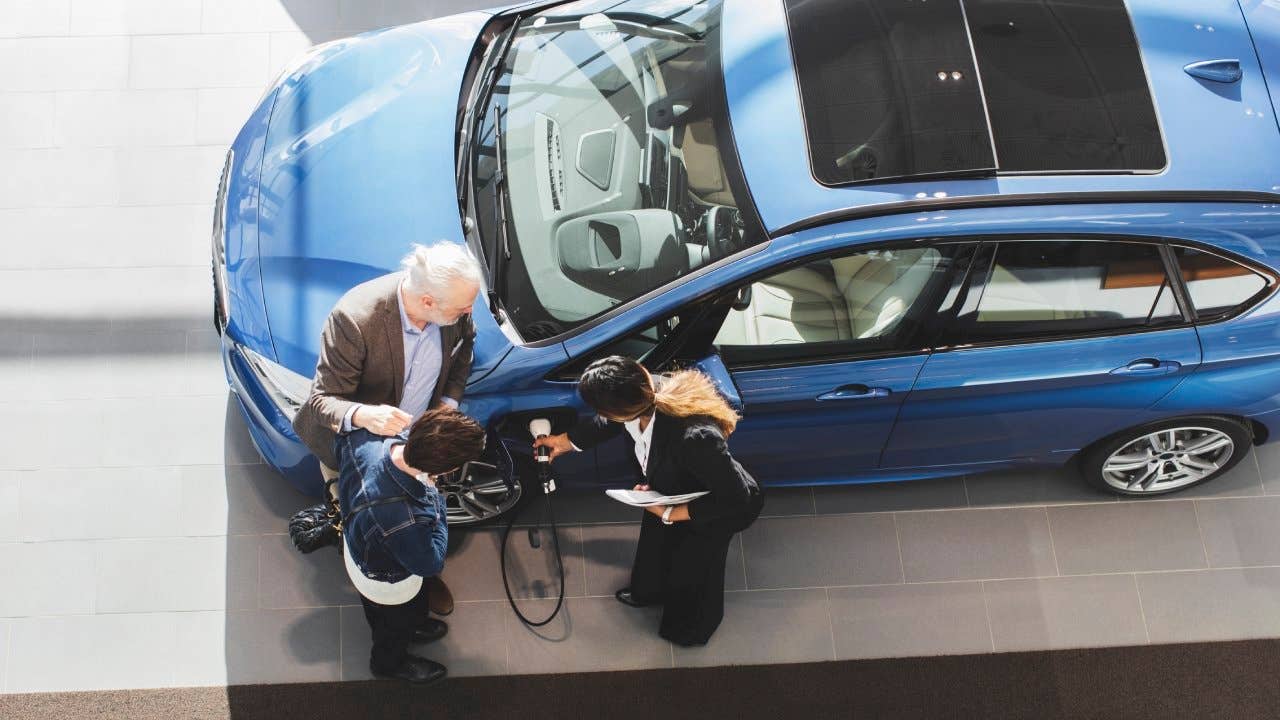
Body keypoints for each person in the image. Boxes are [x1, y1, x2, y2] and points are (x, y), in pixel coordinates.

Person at [293, 240, 483, 616]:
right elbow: (321, 401)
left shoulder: (455, 310)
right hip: (357, 443)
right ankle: (369, 561)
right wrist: (365, 416)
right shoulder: (355, 318)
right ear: (428, 302)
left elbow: (464, 353)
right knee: (366, 514)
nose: (469, 313)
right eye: (462, 308)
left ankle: (417, 574)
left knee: (416, 513)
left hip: (415, 443)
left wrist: (446, 406)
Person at [534, 356, 763, 646]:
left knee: (694, 570)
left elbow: (736, 498)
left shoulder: (695, 437)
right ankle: (649, 592)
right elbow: (607, 423)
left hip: (715, 508)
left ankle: (689, 631)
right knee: (655, 547)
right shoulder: (641, 392)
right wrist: (564, 441)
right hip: (669, 492)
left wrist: (672, 514)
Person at [338, 406, 485, 683]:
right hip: (385, 579)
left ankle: (414, 624)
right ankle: (388, 663)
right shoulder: (404, 518)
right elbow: (429, 563)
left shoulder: (364, 437)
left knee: (401, 612)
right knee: (393, 625)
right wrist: (437, 500)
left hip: (357, 539)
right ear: (446, 468)